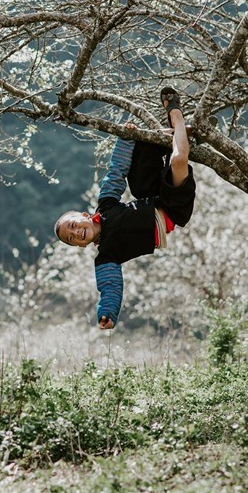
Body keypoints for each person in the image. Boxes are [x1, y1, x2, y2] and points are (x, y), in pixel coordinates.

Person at [53, 87, 196, 330]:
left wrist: (125, 138)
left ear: (85, 216)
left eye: (74, 226)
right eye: (72, 238)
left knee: (138, 172)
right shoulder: (107, 255)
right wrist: (107, 313)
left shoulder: (106, 206)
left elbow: (116, 173)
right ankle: (177, 118)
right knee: (178, 159)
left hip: (154, 196)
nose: (76, 233)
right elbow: (110, 286)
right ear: (79, 246)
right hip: (173, 209)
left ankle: (168, 134)